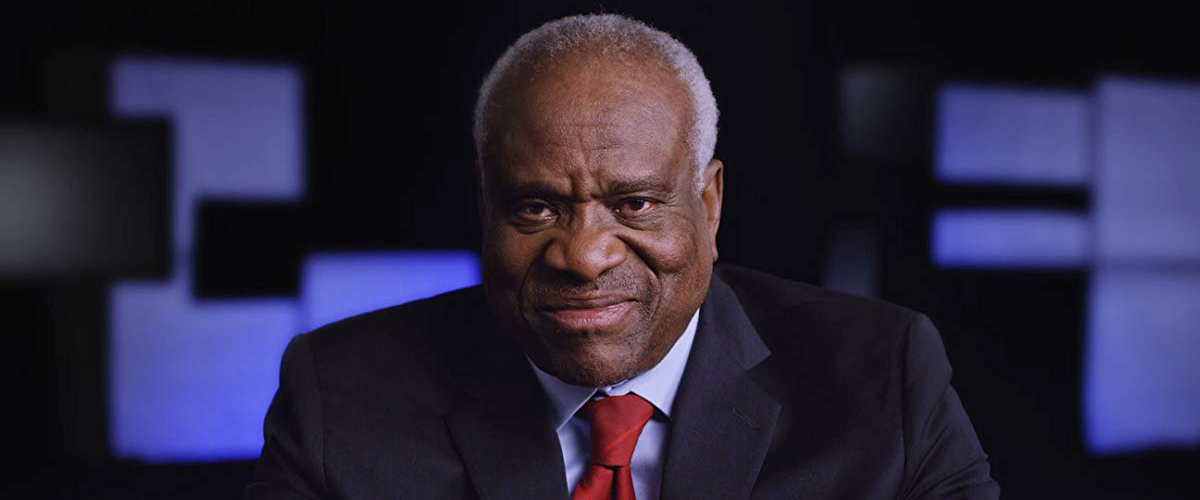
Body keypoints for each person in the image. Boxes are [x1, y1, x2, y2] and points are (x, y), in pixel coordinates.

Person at [247, 13, 1000, 500]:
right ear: (485, 206)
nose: (583, 255)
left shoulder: (883, 378)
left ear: (708, 204)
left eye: (634, 204)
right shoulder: (340, 399)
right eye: (535, 207)